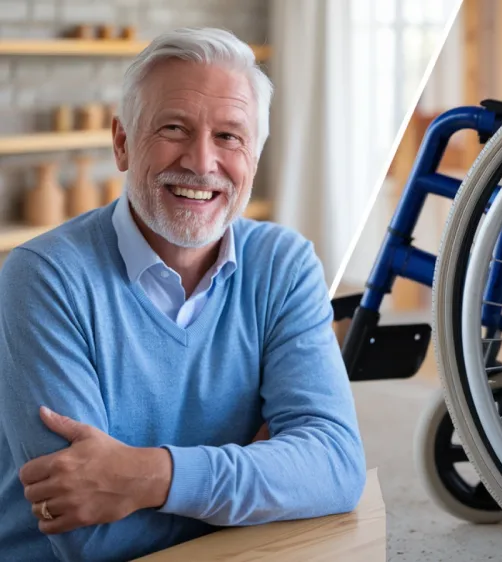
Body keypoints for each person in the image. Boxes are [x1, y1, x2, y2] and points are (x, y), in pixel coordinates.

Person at [0, 28, 365, 561]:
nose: (201, 161)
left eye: (229, 137)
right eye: (174, 128)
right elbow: (88, 536)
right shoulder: (43, 276)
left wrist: (149, 476)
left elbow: (335, 468)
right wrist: (262, 480)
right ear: (123, 142)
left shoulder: (284, 265)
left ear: (255, 159)